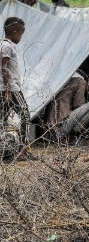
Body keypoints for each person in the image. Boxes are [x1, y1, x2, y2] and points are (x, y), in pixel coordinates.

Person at [1, 17, 36, 160]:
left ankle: (6, 151)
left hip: (3, 89)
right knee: (25, 117)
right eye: (21, 34)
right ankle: (23, 150)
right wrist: (9, 91)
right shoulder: (8, 46)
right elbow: (4, 68)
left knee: (2, 119)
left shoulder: (2, 44)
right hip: (12, 89)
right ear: (14, 32)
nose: (21, 37)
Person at [45, 72, 89, 146]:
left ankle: (68, 137)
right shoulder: (81, 81)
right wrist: (82, 129)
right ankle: (71, 138)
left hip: (50, 131)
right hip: (60, 129)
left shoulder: (64, 79)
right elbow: (78, 106)